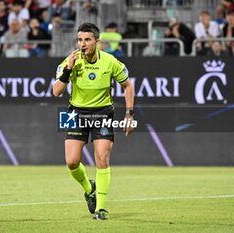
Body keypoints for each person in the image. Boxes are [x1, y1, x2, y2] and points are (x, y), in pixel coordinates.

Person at [52, 23, 135, 220]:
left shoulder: (110, 61)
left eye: (87, 40)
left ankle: (101, 208)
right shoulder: (70, 61)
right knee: (71, 162)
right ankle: (89, 189)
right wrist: (68, 70)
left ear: (97, 42)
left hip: (103, 112)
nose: (82, 44)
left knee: (102, 159)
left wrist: (129, 114)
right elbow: (56, 91)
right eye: (80, 40)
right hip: (74, 112)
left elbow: (127, 86)